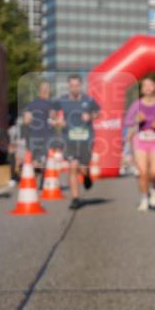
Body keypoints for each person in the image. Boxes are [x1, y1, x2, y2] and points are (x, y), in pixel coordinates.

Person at [56, 74, 100, 209]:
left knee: (83, 168)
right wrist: (58, 121)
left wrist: (91, 116)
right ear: (68, 86)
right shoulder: (62, 100)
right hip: (69, 139)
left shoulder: (89, 100)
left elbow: (97, 113)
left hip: (86, 138)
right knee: (72, 166)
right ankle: (75, 198)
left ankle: (86, 176)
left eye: (77, 85)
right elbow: (52, 116)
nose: (74, 88)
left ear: (80, 86)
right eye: (72, 85)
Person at [124, 77, 155, 211]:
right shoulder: (136, 104)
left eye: (150, 85)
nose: (148, 88)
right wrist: (137, 121)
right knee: (143, 173)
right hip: (140, 140)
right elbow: (127, 122)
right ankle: (144, 198)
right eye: (145, 86)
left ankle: (154, 189)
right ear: (142, 89)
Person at [22, 80, 59, 175]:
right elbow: (54, 118)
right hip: (47, 137)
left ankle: (35, 184)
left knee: (35, 162)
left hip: (35, 136)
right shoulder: (51, 104)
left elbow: (26, 120)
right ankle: (44, 185)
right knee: (46, 162)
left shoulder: (31, 104)